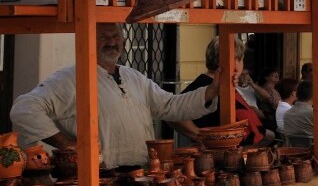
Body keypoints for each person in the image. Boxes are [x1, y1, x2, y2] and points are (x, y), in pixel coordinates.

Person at [11, 23, 222, 166]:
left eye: (116, 37)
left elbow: (170, 106)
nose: (112, 42)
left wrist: (211, 91)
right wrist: (67, 145)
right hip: (101, 176)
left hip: (142, 172)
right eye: (103, 37)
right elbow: (24, 109)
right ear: (88, 39)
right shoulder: (70, 78)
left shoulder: (133, 77)